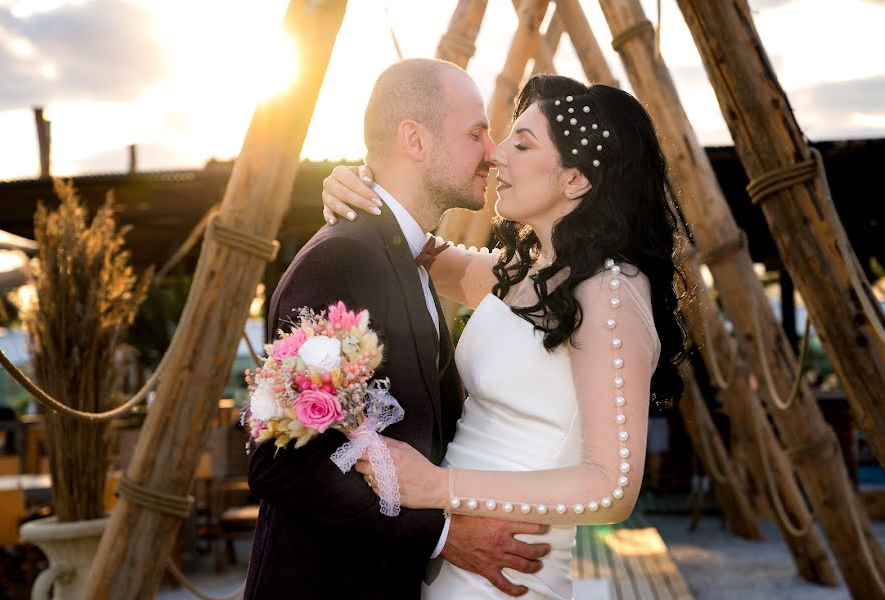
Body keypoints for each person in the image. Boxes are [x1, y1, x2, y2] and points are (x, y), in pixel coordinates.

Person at [321, 74, 688, 599]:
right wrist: (354, 182)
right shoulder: (525, 275)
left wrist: (438, 486)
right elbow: (413, 243)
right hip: (453, 553)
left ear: (576, 180)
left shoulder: (610, 291)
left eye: (522, 143)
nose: (496, 157)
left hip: (508, 577)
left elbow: (612, 488)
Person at [245, 59, 552, 600]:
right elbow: (283, 464)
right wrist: (441, 535)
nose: (491, 150)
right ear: (414, 139)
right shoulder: (342, 257)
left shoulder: (410, 256)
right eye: (476, 132)